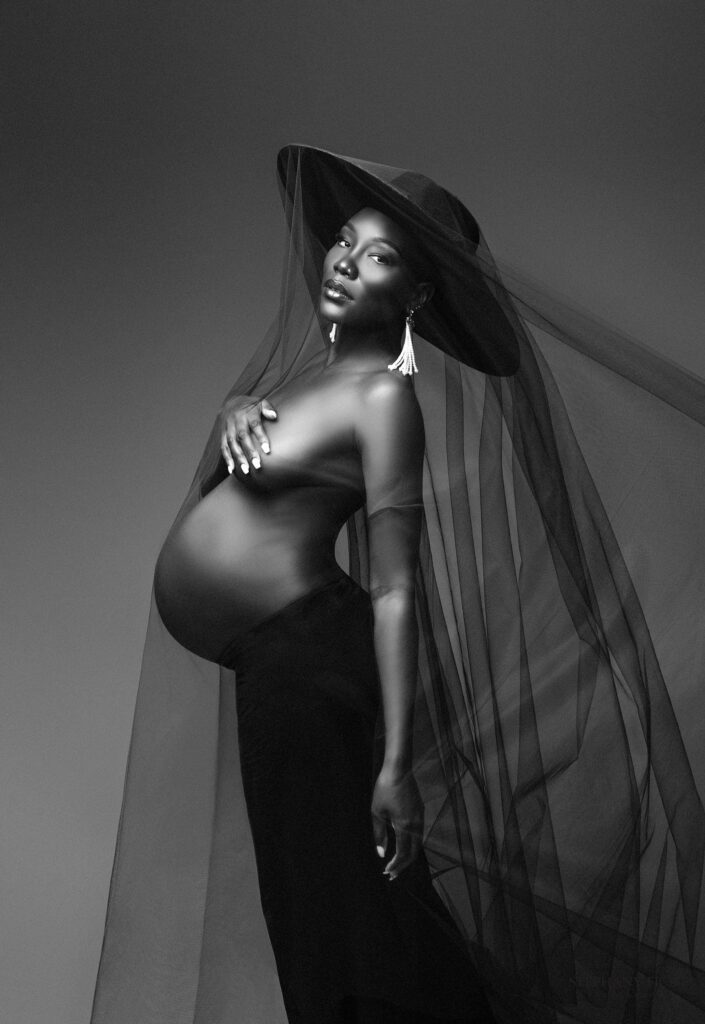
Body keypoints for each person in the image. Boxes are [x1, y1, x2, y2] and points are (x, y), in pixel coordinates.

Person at [91, 146, 705, 1024]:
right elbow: (245, 510)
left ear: (415, 296)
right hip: (281, 669)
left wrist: (392, 764)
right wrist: (227, 418)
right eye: (343, 239)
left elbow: (395, 584)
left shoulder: (383, 399)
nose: (343, 259)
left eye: (378, 254)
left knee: (340, 929)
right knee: (328, 916)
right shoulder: (306, 385)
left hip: (312, 673)